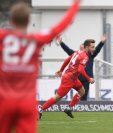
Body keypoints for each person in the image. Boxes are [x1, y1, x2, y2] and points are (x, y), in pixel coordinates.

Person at [0, 1, 80, 133]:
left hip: (5, 100)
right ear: (28, 20)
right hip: (26, 102)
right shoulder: (36, 39)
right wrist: (76, 3)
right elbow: (62, 23)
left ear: (12, 21)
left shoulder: (3, 37)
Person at [39, 39, 95, 119]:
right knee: (57, 97)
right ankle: (40, 109)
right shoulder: (85, 57)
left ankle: (69, 108)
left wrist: (61, 70)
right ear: (87, 47)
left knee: (82, 91)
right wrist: (89, 79)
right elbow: (80, 70)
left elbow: (67, 60)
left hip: (73, 78)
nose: (94, 49)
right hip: (69, 79)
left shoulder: (77, 52)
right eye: (92, 47)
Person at [56, 35, 106, 101]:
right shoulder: (76, 54)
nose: (82, 49)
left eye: (83, 48)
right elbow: (68, 50)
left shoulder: (91, 55)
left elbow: (97, 49)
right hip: (78, 76)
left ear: (86, 48)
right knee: (78, 93)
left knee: (84, 94)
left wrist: (102, 42)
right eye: (80, 48)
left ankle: (81, 106)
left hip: (86, 77)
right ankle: (73, 105)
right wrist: (61, 42)